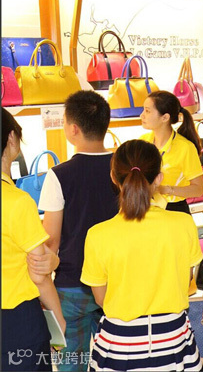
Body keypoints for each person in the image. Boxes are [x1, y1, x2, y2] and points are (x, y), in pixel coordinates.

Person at [81, 140, 203, 370]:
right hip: (174, 341)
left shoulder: (98, 234)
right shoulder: (183, 224)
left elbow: (101, 298)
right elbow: (185, 280)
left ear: (114, 178)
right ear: (158, 178)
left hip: (117, 344)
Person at [33, 91, 118, 371]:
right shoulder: (124, 169)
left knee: (72, 363)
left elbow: (51, 241)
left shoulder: (59, 175)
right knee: (119, 360)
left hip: (72, 284)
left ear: (72, 129)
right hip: (118, 280)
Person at [2, 108, 66, 372]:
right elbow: (39, 272)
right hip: (16, 321)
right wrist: (59, 320)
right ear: (11, 138)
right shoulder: (17, 202)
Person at [139, 91, 203, 214]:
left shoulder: (185, 147)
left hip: (175, 211)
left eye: (147, 111)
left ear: (165, 117)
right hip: (147, 209)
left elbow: (198, 189)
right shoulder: (142, 142)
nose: (142, 115)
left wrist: (166, 190)